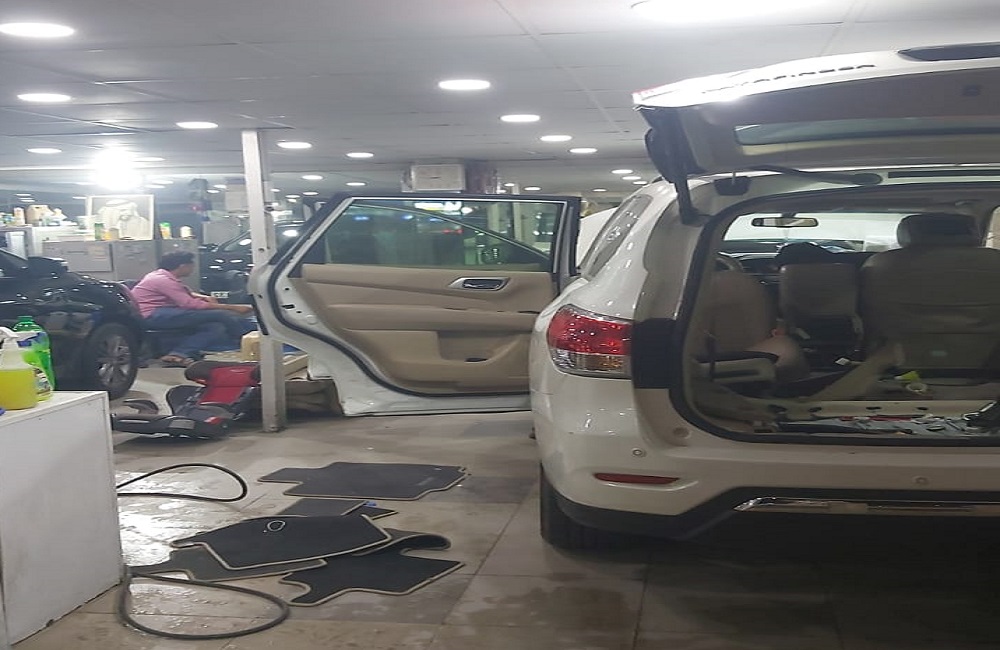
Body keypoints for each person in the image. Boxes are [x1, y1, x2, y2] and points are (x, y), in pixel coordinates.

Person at [131, 251, 254, 367]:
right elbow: (190, 304)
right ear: (183, 266)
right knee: (221, 315)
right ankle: (245, 340)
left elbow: (184, 292)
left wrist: (204, 297)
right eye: (191, 266)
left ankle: (177, 354)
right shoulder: (163, 280)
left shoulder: (160, 275)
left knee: (215, 327)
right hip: (152, 315)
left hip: (160, 312)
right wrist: (235, 307)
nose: (193, 269)